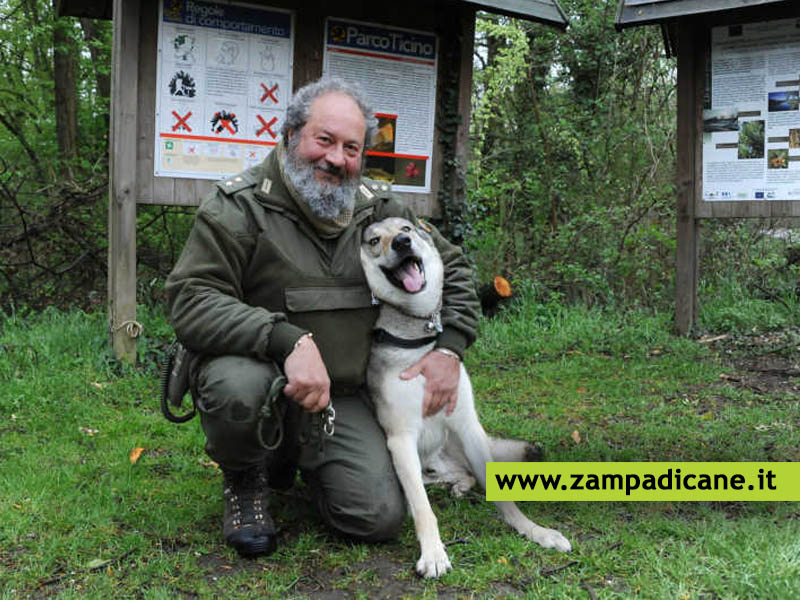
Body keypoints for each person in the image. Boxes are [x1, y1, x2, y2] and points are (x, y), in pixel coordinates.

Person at [165, 77, 479, 557]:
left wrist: (450, 346)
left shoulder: (379, 209)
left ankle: (305, 461)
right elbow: (192, 297)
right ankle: (247, 476)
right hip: (261, 376)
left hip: (342, 396)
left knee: (376, 517)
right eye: (325, 140)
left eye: (352, 148)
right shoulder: (237, 207)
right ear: (291, 135)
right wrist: (285, 339)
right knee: (238, 388)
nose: (337, 158)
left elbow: (450, 266)